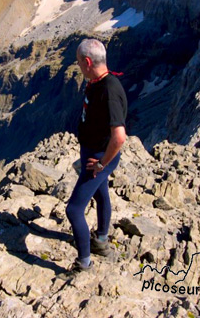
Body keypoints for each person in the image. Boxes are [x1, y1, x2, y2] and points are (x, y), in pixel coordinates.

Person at [63, 38, 127, 276]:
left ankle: (84, 264)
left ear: (88, 62)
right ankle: (100, 240)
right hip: (95, 154)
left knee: (74, 210)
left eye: (79, 62)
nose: (78, 66)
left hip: (99, 158)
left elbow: (119, 137)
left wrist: (101, 164)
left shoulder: (109, 91)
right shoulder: (100, 81)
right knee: (101, 195)